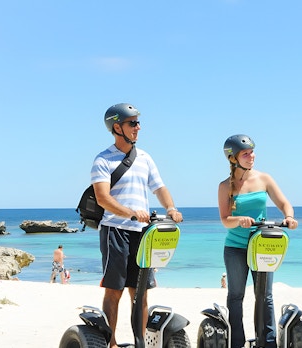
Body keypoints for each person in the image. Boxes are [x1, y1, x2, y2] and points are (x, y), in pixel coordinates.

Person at [92, 102, 183, 348]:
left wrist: (171, 208)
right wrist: (131, 213)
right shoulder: (103, 159)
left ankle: (139, 342)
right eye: (132, 123)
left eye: (138, 123)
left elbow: (159, 188)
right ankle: (111, 343)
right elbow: (103, 198)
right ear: (116, 127)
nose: (138, 128)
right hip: (114, 231)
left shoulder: (144, 158)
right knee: (114, 291)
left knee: (140, 291)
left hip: (141, 233)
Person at [218, 134, 298, 348]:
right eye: (245, 153)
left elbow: (284, 203)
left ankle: (268, 342)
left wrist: (289, 217)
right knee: (236, 296)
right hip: (235, 247)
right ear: (233, 158)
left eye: (252, 151)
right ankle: (236, 342)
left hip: (262, 245)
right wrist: (239, 220)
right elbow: (225, 220)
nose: (251, 156)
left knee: (265, 296)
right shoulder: (226, 186)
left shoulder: (264, 179)